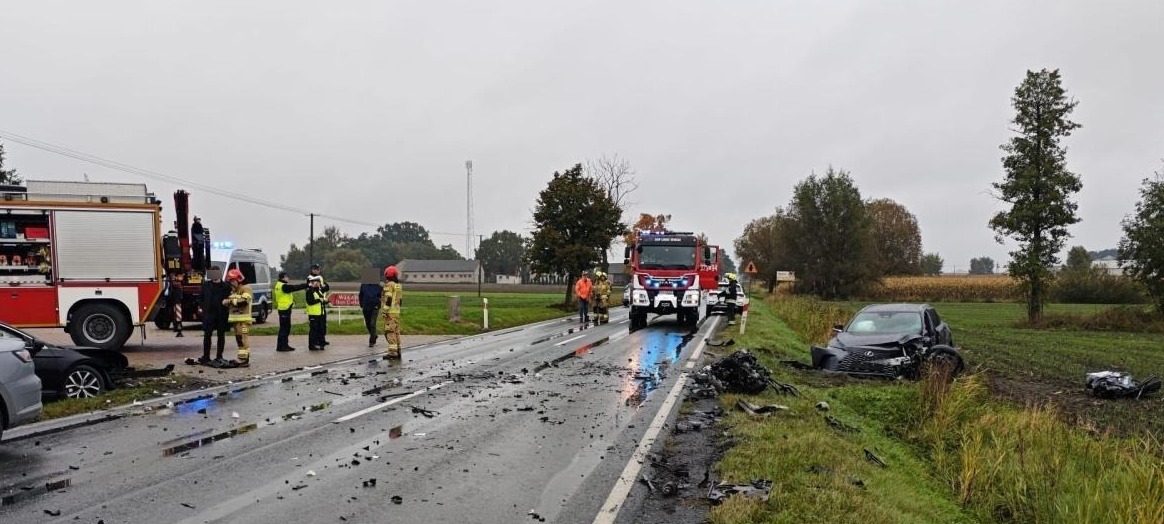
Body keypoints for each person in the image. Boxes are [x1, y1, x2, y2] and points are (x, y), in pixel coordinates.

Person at [198, 266, 231, 367]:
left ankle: (219, 356)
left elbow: (230, 297)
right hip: (209, 314)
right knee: (207, 335)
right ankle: (206, 357)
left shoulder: (226, 286)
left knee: (221, 335)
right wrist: (202, 307)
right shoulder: (206, 285)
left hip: (221, 314)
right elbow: (201, 297)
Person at [223, 268, 253, 367]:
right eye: (230, 281)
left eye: (233, 280)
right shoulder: (233, 291)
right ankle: (242, 358)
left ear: (238, 279)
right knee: (239, 339)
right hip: (236, 320)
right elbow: (232, 303)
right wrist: (226, 302)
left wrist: (230, 301)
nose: (231, 283)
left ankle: (244, 359)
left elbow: (245, 301)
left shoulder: (246, 288)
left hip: (243, 320)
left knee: (243, 339)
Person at [273, 271, 308, 352]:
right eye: (287, 277)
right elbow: (294, 288)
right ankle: (281, 347)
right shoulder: (283, 286)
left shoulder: (279, 285)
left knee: (285, 328)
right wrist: (305, 285)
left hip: (284, 309)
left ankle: (284, 345)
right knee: (284, 328)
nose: (288, 278)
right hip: (284, 309)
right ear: (283, 277)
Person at [380, 265, 404, 361]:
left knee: (389, 332)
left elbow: (388, 299)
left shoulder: (389, 285)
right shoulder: (398, 286)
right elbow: (400, 301)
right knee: (396, 331)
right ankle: (398, 350)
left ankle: (392, 352)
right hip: (396, 312)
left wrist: (385, 311)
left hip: (390, 312)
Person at [309, 264, 331, 346]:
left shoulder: (320, 277)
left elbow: (327, 286)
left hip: (321, 305)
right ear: (312, 270)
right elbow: (318, 288)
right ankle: (316, 341)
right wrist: (322, 287)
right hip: (315, 308)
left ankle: (322, 340)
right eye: (314, 269)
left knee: (322, 325)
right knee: (316, 327)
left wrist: (322, 287)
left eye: (317, 269)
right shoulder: (310, 278)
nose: (316, 270)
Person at [359, 276, 383, 347]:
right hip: (366, 307)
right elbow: (360, 295)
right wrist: (361, 304)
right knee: (368, 324)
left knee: (372, 324)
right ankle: (374, 335)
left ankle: (372, 341)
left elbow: (381, 297)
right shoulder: (363, 286)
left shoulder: (379, 287)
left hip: (374, 308)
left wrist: (378, 305)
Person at [305, 275, 326, 350]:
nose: (317, 284)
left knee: (320, 329)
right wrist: (319, 300)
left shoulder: (319, 290)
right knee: (313, 330)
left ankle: (321, 343)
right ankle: (311, 345)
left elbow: (321, 299)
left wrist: (325, 301)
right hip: (313, 314)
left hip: (320, 313)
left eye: (318, 282)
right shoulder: (309, 291)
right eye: (316, 282)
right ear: (312, 283)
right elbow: (310, 302)